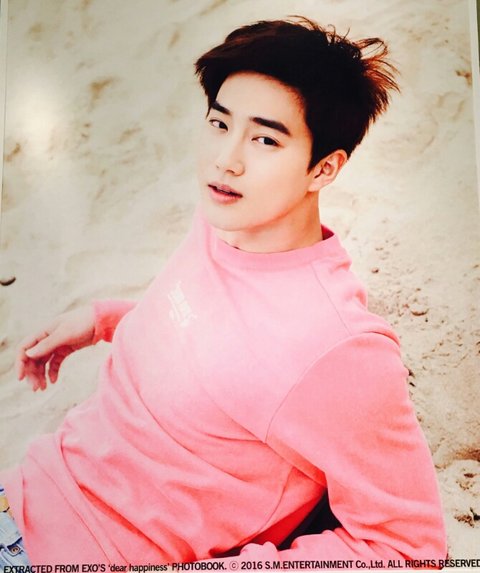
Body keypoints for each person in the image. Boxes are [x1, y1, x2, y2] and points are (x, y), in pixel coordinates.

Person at [1, 17, 447, 567]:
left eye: (265, 139)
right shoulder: (226, 220)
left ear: (324, 168)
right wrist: (104, 320)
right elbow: (221, 345)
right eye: (219, 123)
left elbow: (408, 546)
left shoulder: (340, 350)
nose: (225, 159)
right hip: (24, 487)